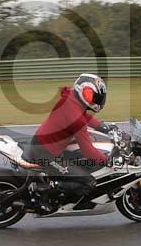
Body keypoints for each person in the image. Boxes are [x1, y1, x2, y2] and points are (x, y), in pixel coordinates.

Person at [25, 73, 117, 203]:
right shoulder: (76, 119)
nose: (95, 100)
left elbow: (82, 115)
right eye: (91, 95)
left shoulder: (71, 98)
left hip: (44, 143)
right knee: (88, 181)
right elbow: (88, 151)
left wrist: (102, 126)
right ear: (82, 90)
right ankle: (42, 190)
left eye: (97, 97)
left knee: (81, 163)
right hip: (46, 153)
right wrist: (108, 161)